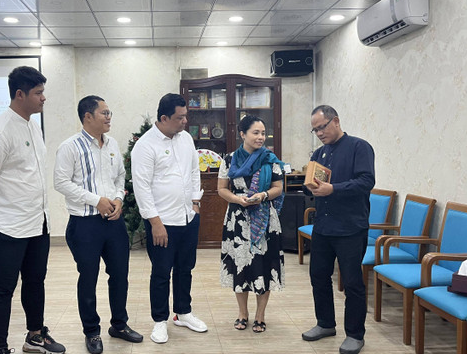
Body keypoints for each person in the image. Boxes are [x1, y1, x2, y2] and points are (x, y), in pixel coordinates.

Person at [0, 66, 66, 354]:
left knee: (35, 282)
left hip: (37, 222)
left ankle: (35, 336)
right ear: (20, 94)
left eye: (43, 92)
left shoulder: (32, 125)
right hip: (7, 226)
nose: (43, 98)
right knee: (3, 289)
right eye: (38, 93)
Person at [54, 95, 143, 354]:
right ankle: (91, 331)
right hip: (85, 225)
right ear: (87, 117)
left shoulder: (112, 144)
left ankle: (119, 324)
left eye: (109, 112)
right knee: (88, 277)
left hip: (113, 222)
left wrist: (116, 198)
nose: (109, 117)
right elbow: (61, 182)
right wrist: (96, 201)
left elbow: (120, 176)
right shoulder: (69, 147)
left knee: (119, 275)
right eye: (104, 113)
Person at [131, 93, 207, 344]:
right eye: (180, 117)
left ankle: (183, 312)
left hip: (188, 217)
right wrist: (155, 223)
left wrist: (196, 203)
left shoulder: (185, 139)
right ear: (164, 118)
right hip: (162, 223)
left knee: (186, 268)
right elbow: (141, 188)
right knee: (162, 272)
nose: (185, 121)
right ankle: (160, 320)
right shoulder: (145, 145)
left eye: (186, 116)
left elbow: (194, 170)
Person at [301, 105, 375, 354]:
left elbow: (366, 181)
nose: (319, 133)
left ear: (336, 121)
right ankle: (325, 324)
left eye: (321, 127)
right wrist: (308, 186)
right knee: (318, 277)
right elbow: (313, 186)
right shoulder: (319, 154)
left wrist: (334, 189)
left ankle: (355, 334)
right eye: (315, 130)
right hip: (323, 226)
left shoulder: (359, 147)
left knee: (352, 282)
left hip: (351, 227)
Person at [217, 115, 285, 334]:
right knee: (241, 266)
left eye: (263, 133)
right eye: (256, 132)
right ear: (242, 134)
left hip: (265, 218)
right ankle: (242, 313)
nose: (261, 137)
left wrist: (263, 195)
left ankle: (260, 315)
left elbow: (278, 187)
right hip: (237, 220)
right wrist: (238, 199)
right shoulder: (229, 160)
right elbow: (222, 189)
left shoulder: (270, 159)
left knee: (263, 266)